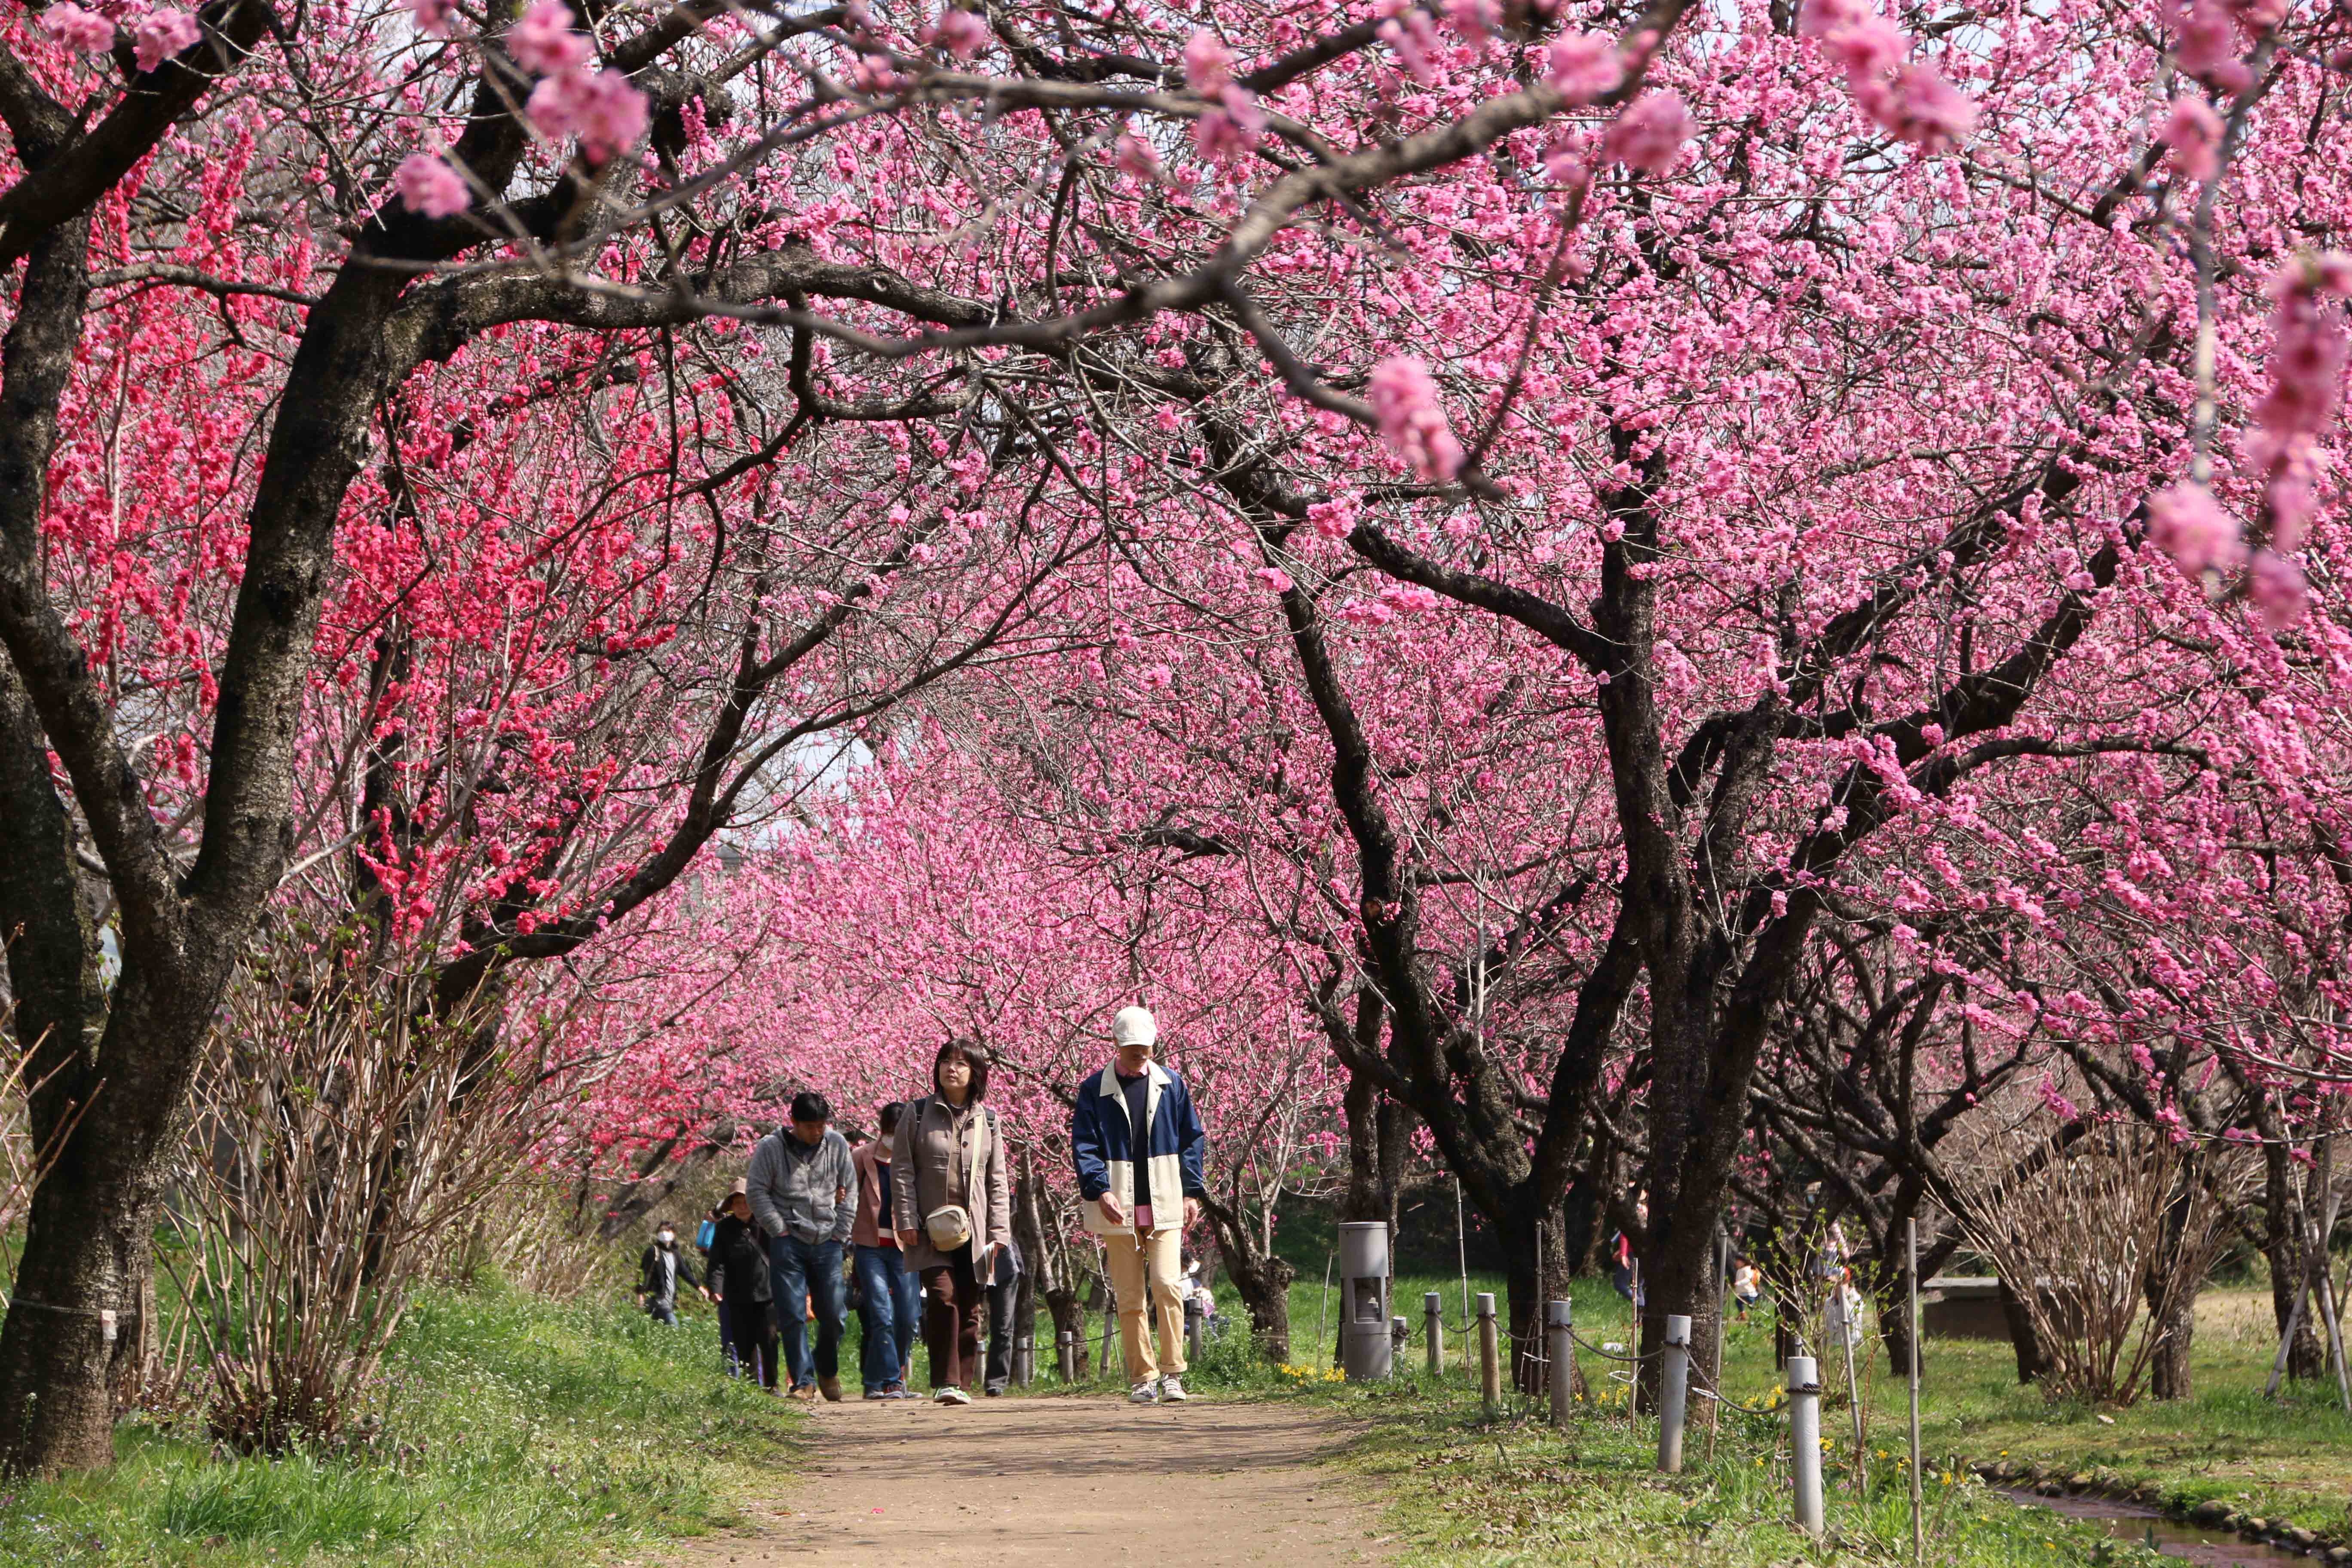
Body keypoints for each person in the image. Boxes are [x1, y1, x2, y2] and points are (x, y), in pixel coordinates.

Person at [1070, 1004, 1208, 1406]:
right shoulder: (1094, 1089)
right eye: (1132, 1047)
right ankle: (1142, 1377)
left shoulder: (1172, 1084)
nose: (1140, 1054)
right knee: (1130, 1296)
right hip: (1119, 1206)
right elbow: (1085, 1144)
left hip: (1165, 1202)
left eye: (1145, 1047)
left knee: (1167, 1285)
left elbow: (1191, 1140)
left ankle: (1173, 1373)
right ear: (1115, 1043)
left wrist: (1190, 1192)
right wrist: (1100, 1188)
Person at [892, 1039, 1013, 1406]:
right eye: (946, 1061)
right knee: (943, 1298)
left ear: (975, 1073)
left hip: (975, 1231)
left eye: (961, 1063)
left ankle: (961, 1381)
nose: (952, 1069)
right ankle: (946, 1381)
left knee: (969, 1303)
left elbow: (998, 1180)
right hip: (930, 1229)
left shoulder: (989, 1121)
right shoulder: (915, 1115)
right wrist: (906, 1219)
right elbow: (902, 1171)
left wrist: (999, 1232)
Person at [748, 1090, 855, 1401]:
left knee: (835, 1313)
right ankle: (803, 1381)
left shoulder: (836, 1144)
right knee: (792, 1313)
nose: (817, 1132)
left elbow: (850, 1190)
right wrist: (778, 1229)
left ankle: (826, 1366)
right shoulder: (771, 1148)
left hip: (828, 1239)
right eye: (810, 1126)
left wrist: (841, 1232)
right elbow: (756, 1191)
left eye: (822, 1125)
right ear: (793, 1122)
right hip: (788, 1241)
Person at [850, 1101, 921, 1399]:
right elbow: (846, 1196)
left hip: (906, 1246)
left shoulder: (917, 1159)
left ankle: (874, 1381)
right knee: (881, 1313)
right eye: (891, 1132)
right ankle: (892, 1381)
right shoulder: (861, 1157)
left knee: (908, 1316)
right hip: (870, 1246)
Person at [707, 1180, 780, 1390]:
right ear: (731, 1206)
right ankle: (750, 1387)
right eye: (737, 1202)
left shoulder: (767, 1224)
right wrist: (716, 1289)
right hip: (737, 1294)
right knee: (743, 1341)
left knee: (769, 1339)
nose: (742, 1206)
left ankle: (772, 1385)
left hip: (767, 1293)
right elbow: (717, 1262)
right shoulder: (724, 1229)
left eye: (746, 1201)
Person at [636, 1218, 704, 1325]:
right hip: (658, 1297)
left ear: (674, 1235)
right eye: (661, 1231)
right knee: (674, 1326)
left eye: (667, 1231)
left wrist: (699, 1287)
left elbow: (684, 1272)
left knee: (658, 1328)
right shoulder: (653, 1251)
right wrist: (640, 1293)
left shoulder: (675, 1254)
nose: (664, 1234)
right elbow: (644, 1273)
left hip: (670, 1299)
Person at [983, 1234, 1025, 1396]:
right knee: (967, 1320)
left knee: (1003, 1326)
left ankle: (996, 1382)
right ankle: (958, 1379)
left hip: (1003, 1261)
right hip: (970, 1254)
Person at [1732, 1255, 1763, 1323]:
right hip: (1742, 1293)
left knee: (1751, 1305)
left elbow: (1748, 1279)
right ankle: (1743, 1315)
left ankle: (1756, 1317)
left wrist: (1740, 1283)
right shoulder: (1740, 1270)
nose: (1736, 1263)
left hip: (1749, 1293)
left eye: (1738, 1261)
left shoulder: (1747, 1269)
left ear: (1744, 1262)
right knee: (1738, 1302)